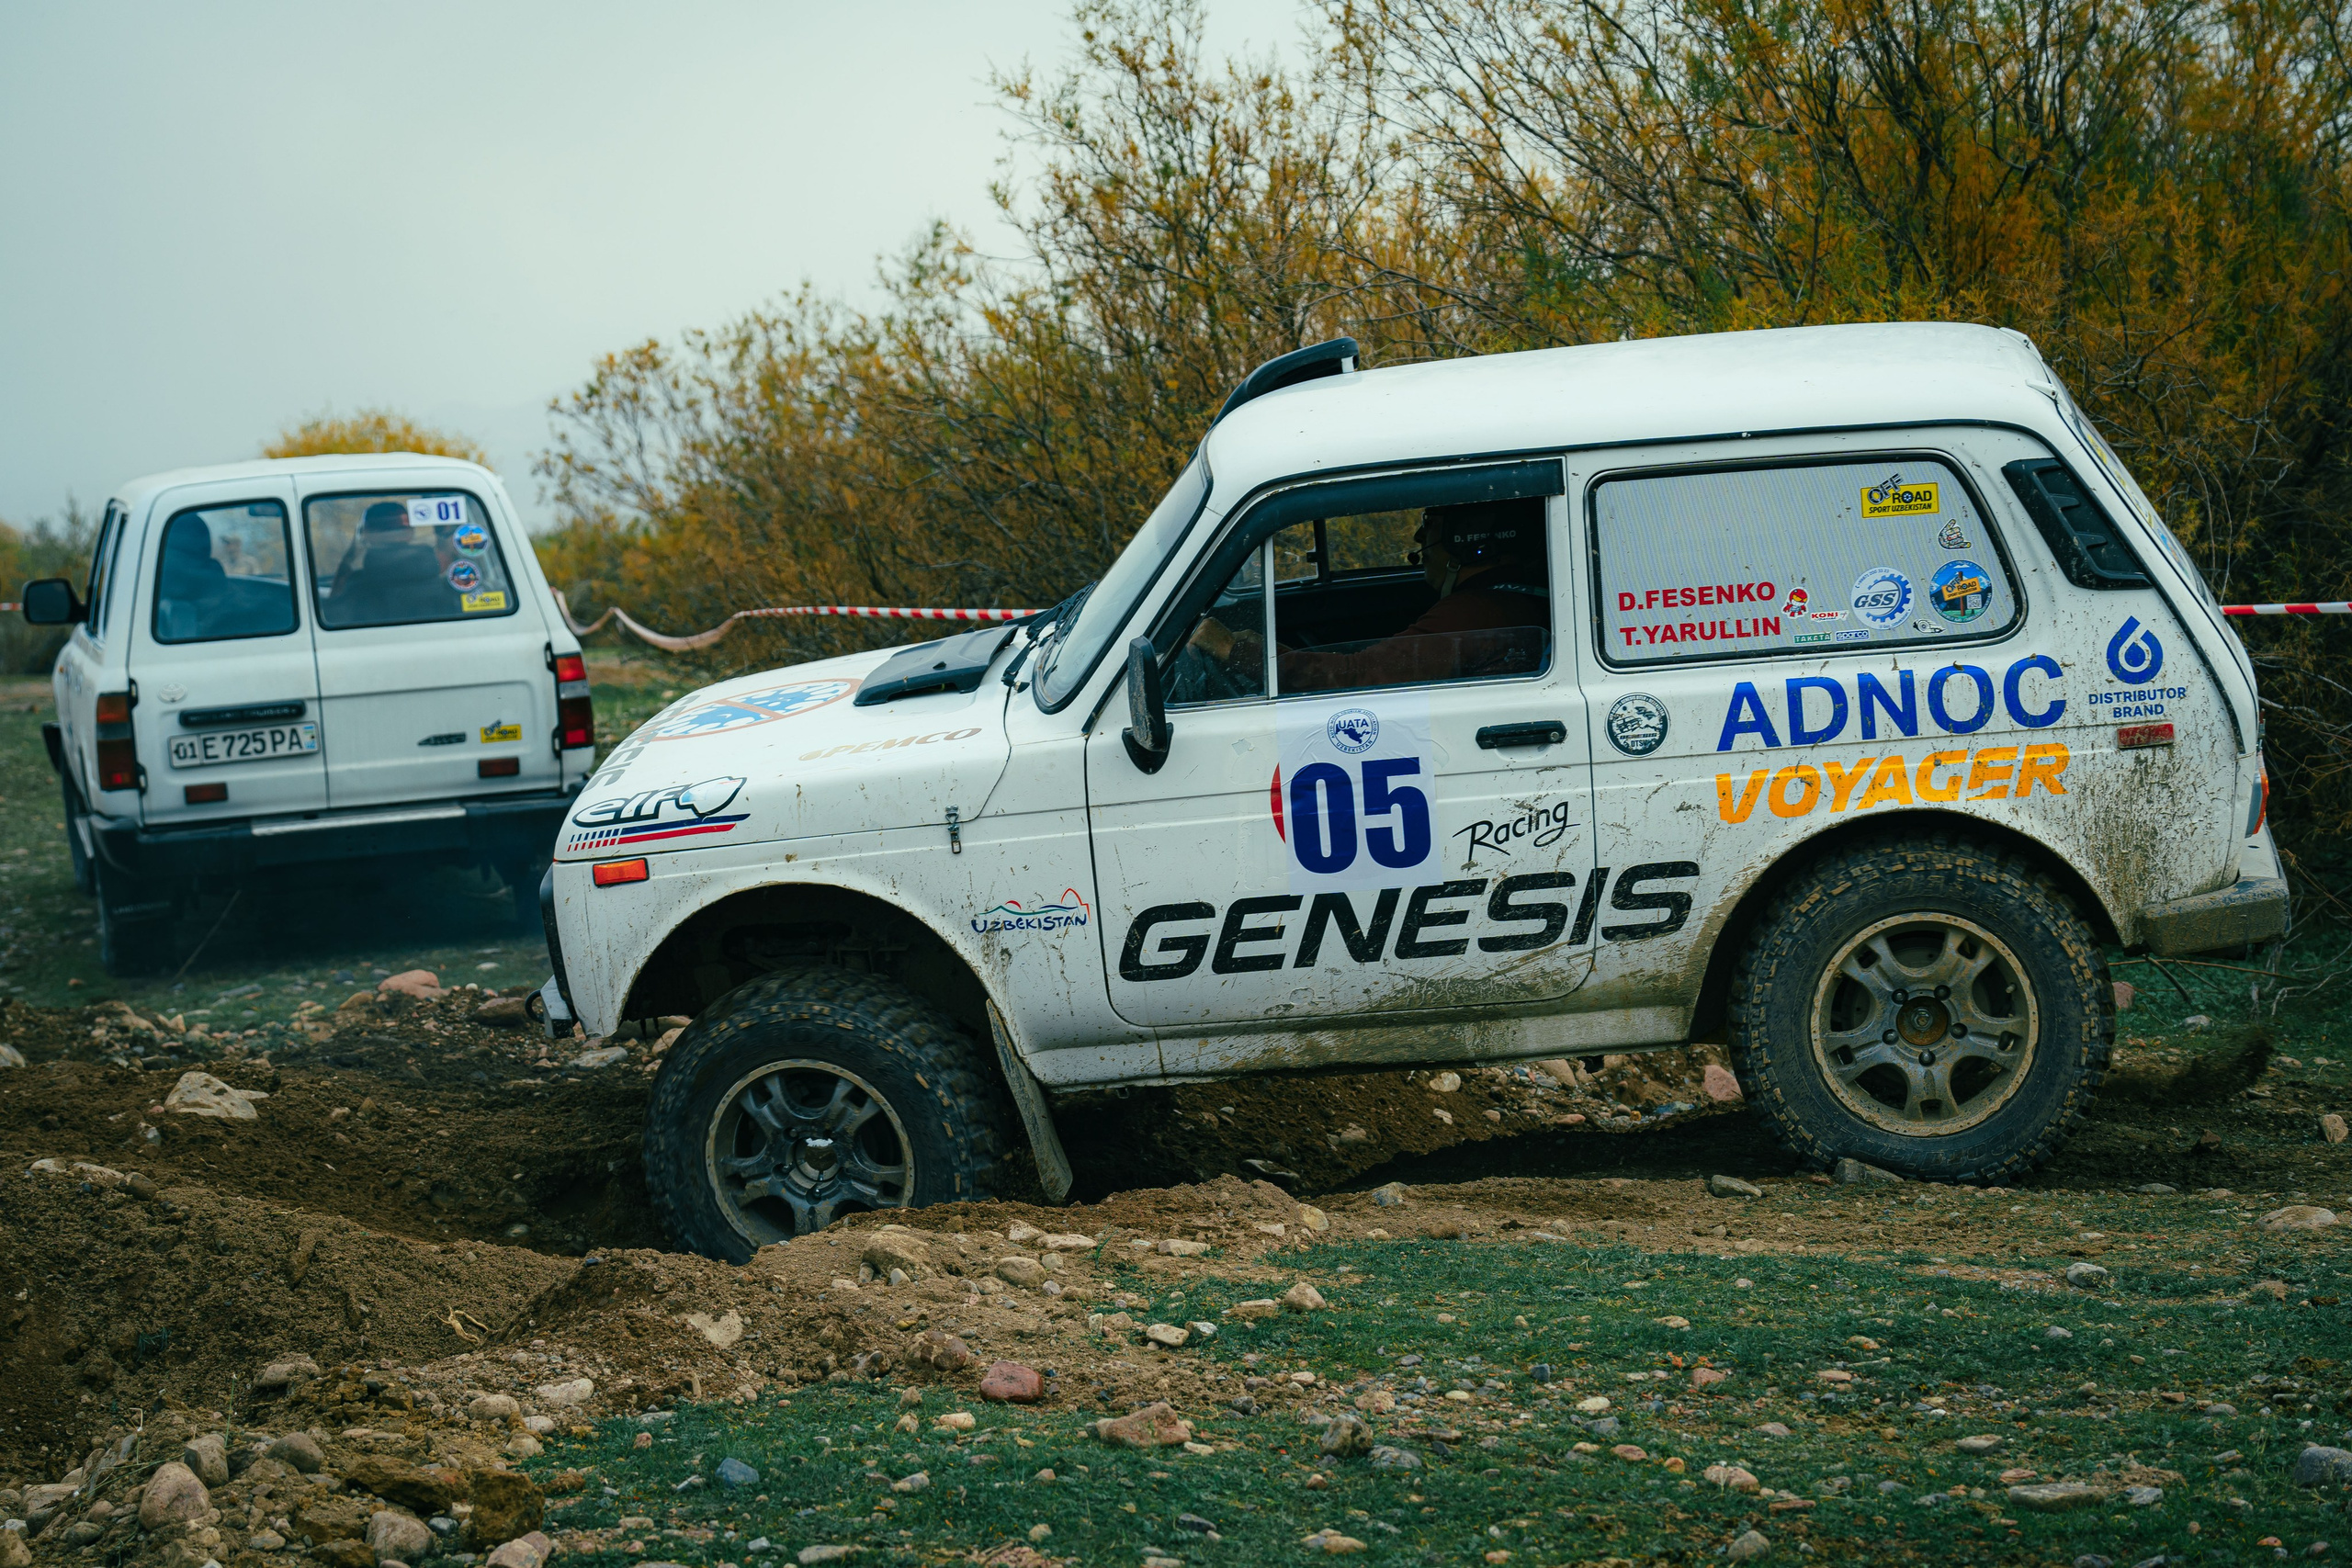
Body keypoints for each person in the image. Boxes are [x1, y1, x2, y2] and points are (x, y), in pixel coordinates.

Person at [1186, 495, 1550, 694]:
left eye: (1431, 524)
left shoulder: (1478, 612)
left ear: (1466, 539)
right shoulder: (1506, 601)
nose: (1420, 540)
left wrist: (1235, 652)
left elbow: (1358, 675)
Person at [324, 501, 449, 626]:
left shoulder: (357, 586)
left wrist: (350, 556)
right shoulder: (445, 583)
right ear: (410, 532)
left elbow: (332, 615)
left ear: (365, 534)